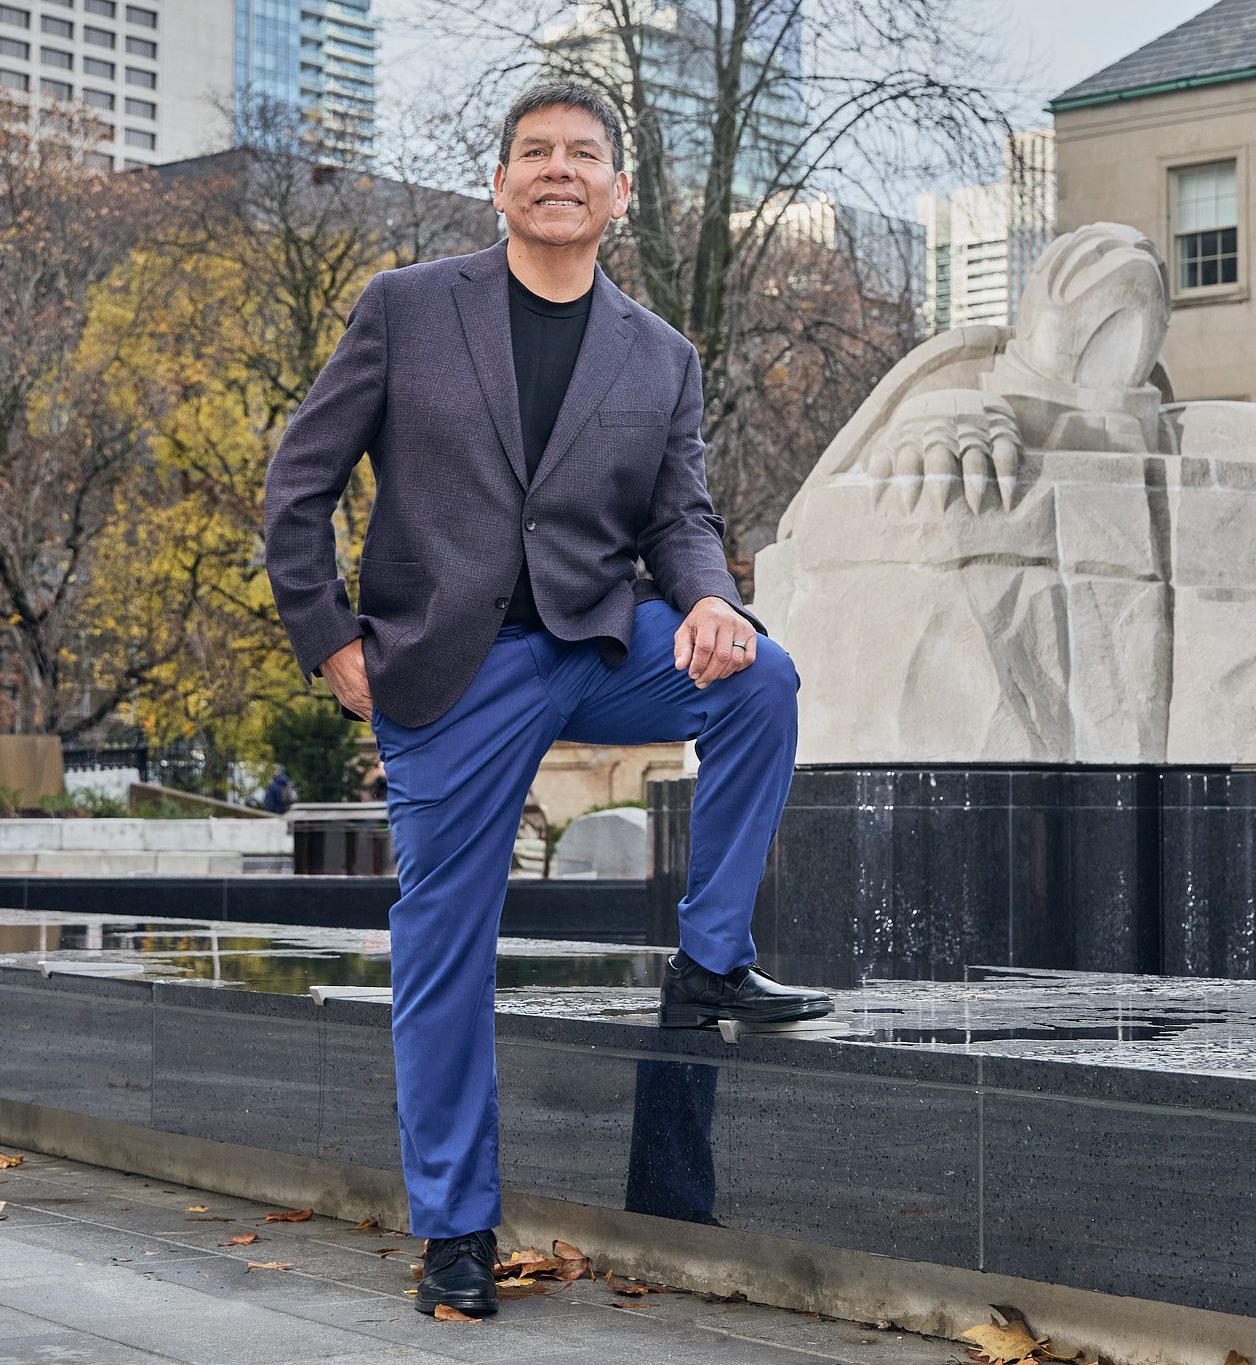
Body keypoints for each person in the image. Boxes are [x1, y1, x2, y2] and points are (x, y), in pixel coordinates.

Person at [261, 80, 831, 1320]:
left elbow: (679, 518)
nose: (558, 169)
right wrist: (327, 643)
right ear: (503, 182)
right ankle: (458, 1228)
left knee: (764, 682)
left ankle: (712, 961)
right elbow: (298, 483)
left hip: (591, 637)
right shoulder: (408, 309)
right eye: (535, 153)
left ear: (617, 192)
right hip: (447, 667)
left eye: (583, 154)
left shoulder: (661, 355)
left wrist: (709, 602)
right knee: (443, 941)